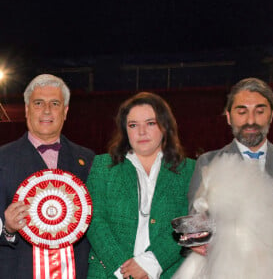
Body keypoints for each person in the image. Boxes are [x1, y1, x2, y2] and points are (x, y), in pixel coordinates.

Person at [86, 92, 195, 279]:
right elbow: (94, 220)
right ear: (125, 130)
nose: (141, 132)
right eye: (133, 125)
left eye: (150, 123)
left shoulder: (189, 170)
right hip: (109, 273)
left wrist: (152, 262)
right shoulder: (102, 166)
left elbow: (189, 220)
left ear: (165, 126)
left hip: (170, 272)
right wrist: (123, 269)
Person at [188, 77, 273, 254]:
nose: (250, 121)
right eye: (242, 112)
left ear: (271, 115)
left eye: (260, 111)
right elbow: (195, 222)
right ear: (228, 117)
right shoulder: (208, 163)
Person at [0, 74, 95, 279]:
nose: (46, 110)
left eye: (55, 103)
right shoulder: (2, 159)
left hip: (77, 273)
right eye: (38, 103)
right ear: (26, 110)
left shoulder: (89, 160)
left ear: (65, 111)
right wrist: (6, 227)